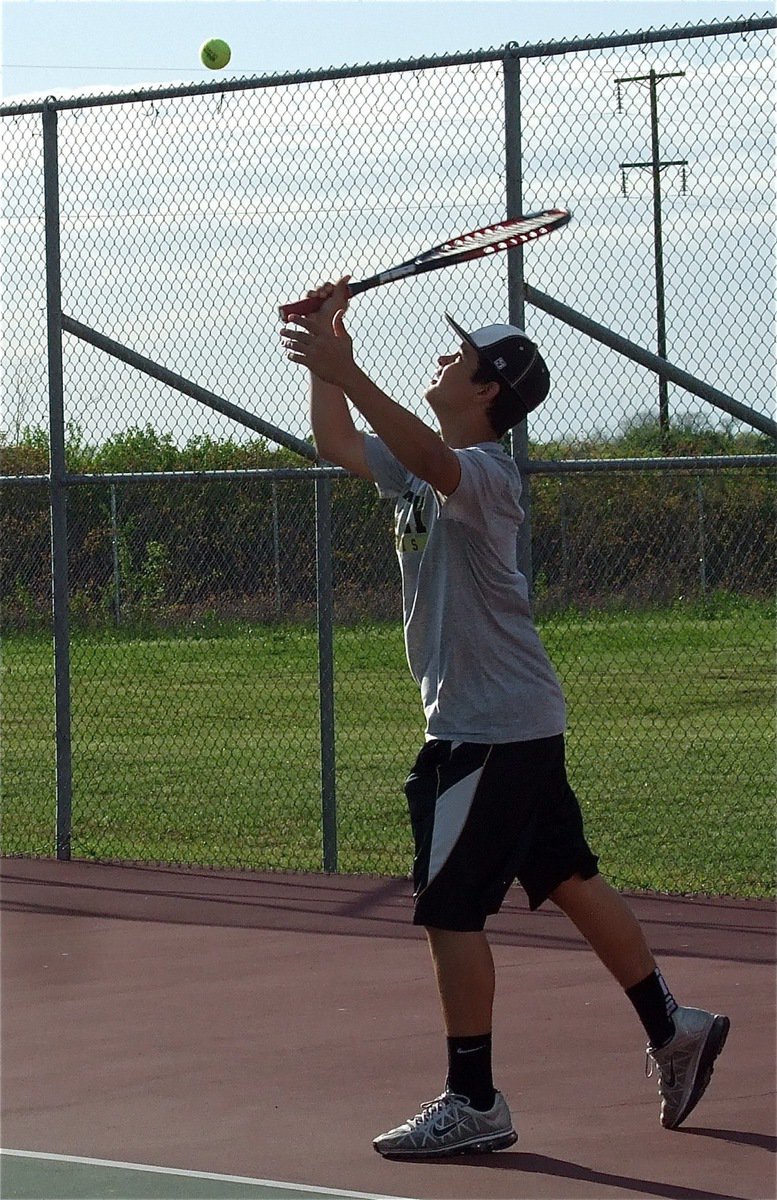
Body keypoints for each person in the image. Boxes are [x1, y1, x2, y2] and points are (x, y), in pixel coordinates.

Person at [280, 278, 730, 1158]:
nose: (443, 360)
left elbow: (437, 463)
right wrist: (329, 349)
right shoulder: (418, 466)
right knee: (566, 875)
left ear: (487, 390)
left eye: (460, 357)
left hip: (486, 731)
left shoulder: (484, 474)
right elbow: (334, 439)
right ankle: (672, 1026)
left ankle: (473, 1098)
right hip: (507, 720)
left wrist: (352, 365)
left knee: (451, 911)